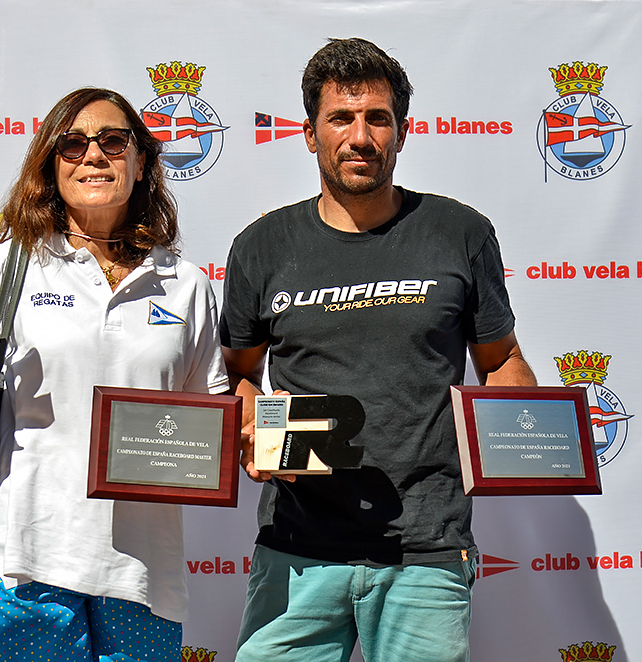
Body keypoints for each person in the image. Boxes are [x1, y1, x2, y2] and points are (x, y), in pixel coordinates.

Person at [0, 87, 229, 662]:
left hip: (145, 574)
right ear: (51, 165)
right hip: (28, 562)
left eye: (114, 141)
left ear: (142, 164)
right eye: (73, 144)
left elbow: (207, 421)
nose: (94, 155)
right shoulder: (9, 263)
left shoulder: (186, 282)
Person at [221, 38, 537, 662]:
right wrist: (248, 425)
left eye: (377, 119)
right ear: (310, 133)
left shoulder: (459, 232)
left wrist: (525, 430)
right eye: (341, 117)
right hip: (297, 547)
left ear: (401, 131)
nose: (359, 137)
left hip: (426, 547)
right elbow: (238, 375)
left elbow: (500, 361)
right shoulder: (260, 246)